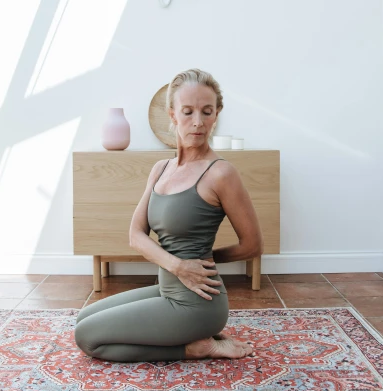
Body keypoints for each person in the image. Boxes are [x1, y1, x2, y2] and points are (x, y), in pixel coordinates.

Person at [74, 69, 263, 362]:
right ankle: (188, 338)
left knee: (87, 338)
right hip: (168, 287)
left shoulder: (221, 173)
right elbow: (135, 236)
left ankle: (194, 348)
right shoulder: (160, 169)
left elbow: (252, 245)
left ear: (217, 114)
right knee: (83, 318)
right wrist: (179, 266)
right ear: (172, 114)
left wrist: (203, 261)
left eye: (207, 112)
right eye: (187, 112)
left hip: (197, 304)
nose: (198, 122)